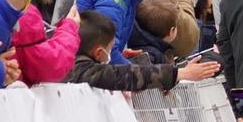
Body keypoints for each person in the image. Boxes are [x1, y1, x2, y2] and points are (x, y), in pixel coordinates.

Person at [67, 10, 221, 91]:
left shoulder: (70, 62)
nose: (111, 54)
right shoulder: (83, 71)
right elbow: (128, 77)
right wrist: (182, 73)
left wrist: (122, 57)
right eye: (110, 49)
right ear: (99, 53)